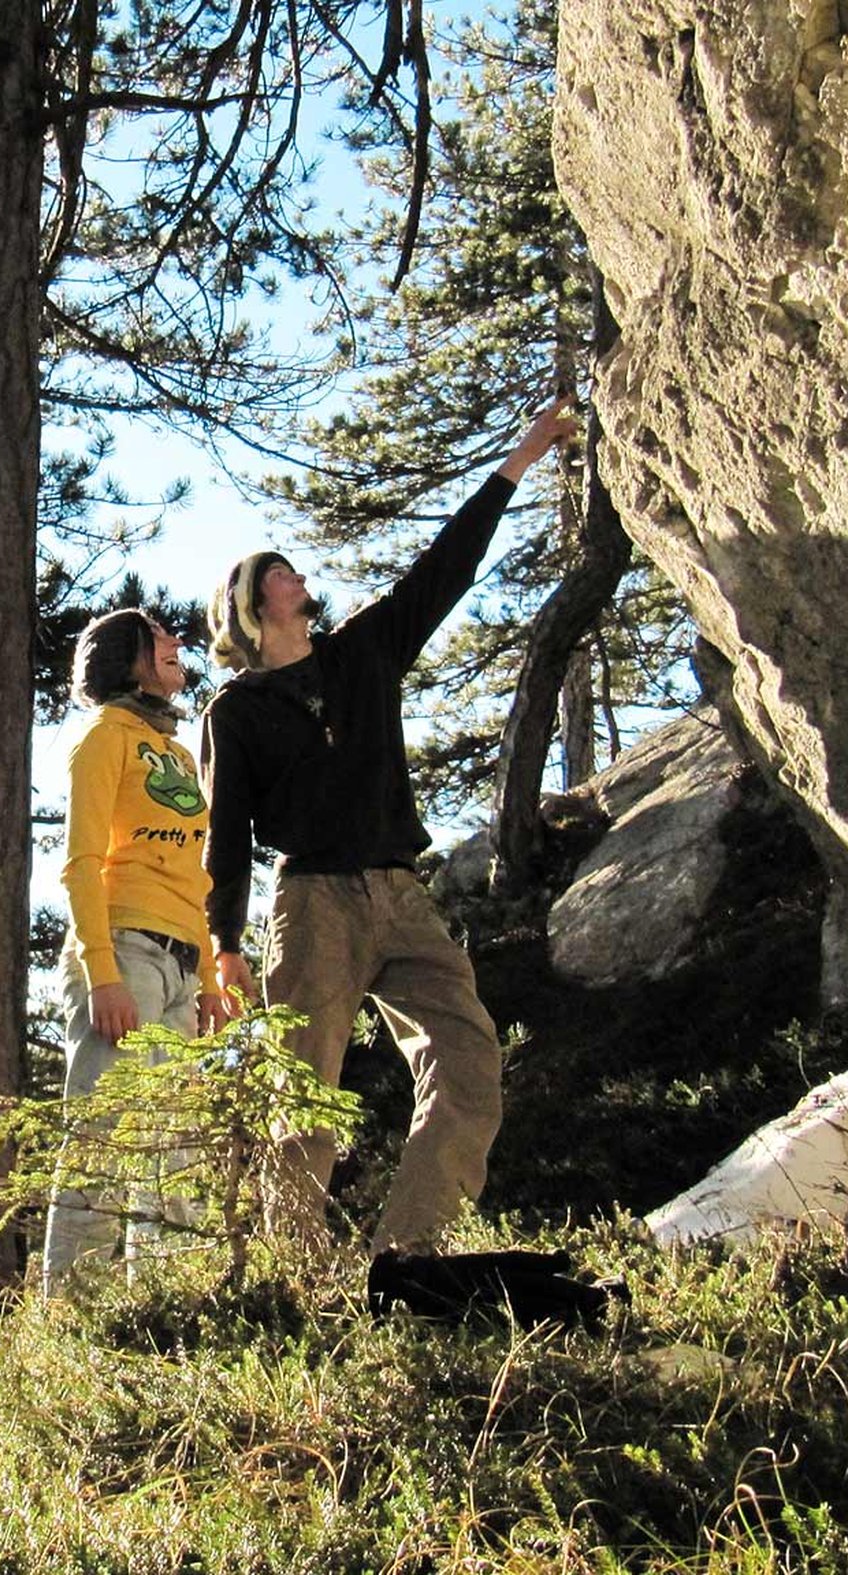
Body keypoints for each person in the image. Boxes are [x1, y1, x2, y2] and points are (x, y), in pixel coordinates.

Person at [201, 399, 577, 1256]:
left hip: (403, 894)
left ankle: (407, 1256)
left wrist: (522, 453)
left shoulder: (365, 650)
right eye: (283, 573)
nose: (300, 579)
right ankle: (289, 1274)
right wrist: (225, 943)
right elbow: (225, 835)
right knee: (305, 1097)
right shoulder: (237, 710)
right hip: (313, 902)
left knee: (470, 1058)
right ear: (255, 605)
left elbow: (448, 566)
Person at [42, 609, 235, 1291]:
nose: (176, 644)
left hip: (181, 964)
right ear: (129, 659)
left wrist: (209, 978)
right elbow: (80, 862)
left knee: (172, 1151)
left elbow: (195, 876)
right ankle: (68, 1330)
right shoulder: (103, 738)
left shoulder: (178, 753)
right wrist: (102, 973)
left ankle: (164, 1313)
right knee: (102, 1141)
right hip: (121, 952)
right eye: (160, 639)